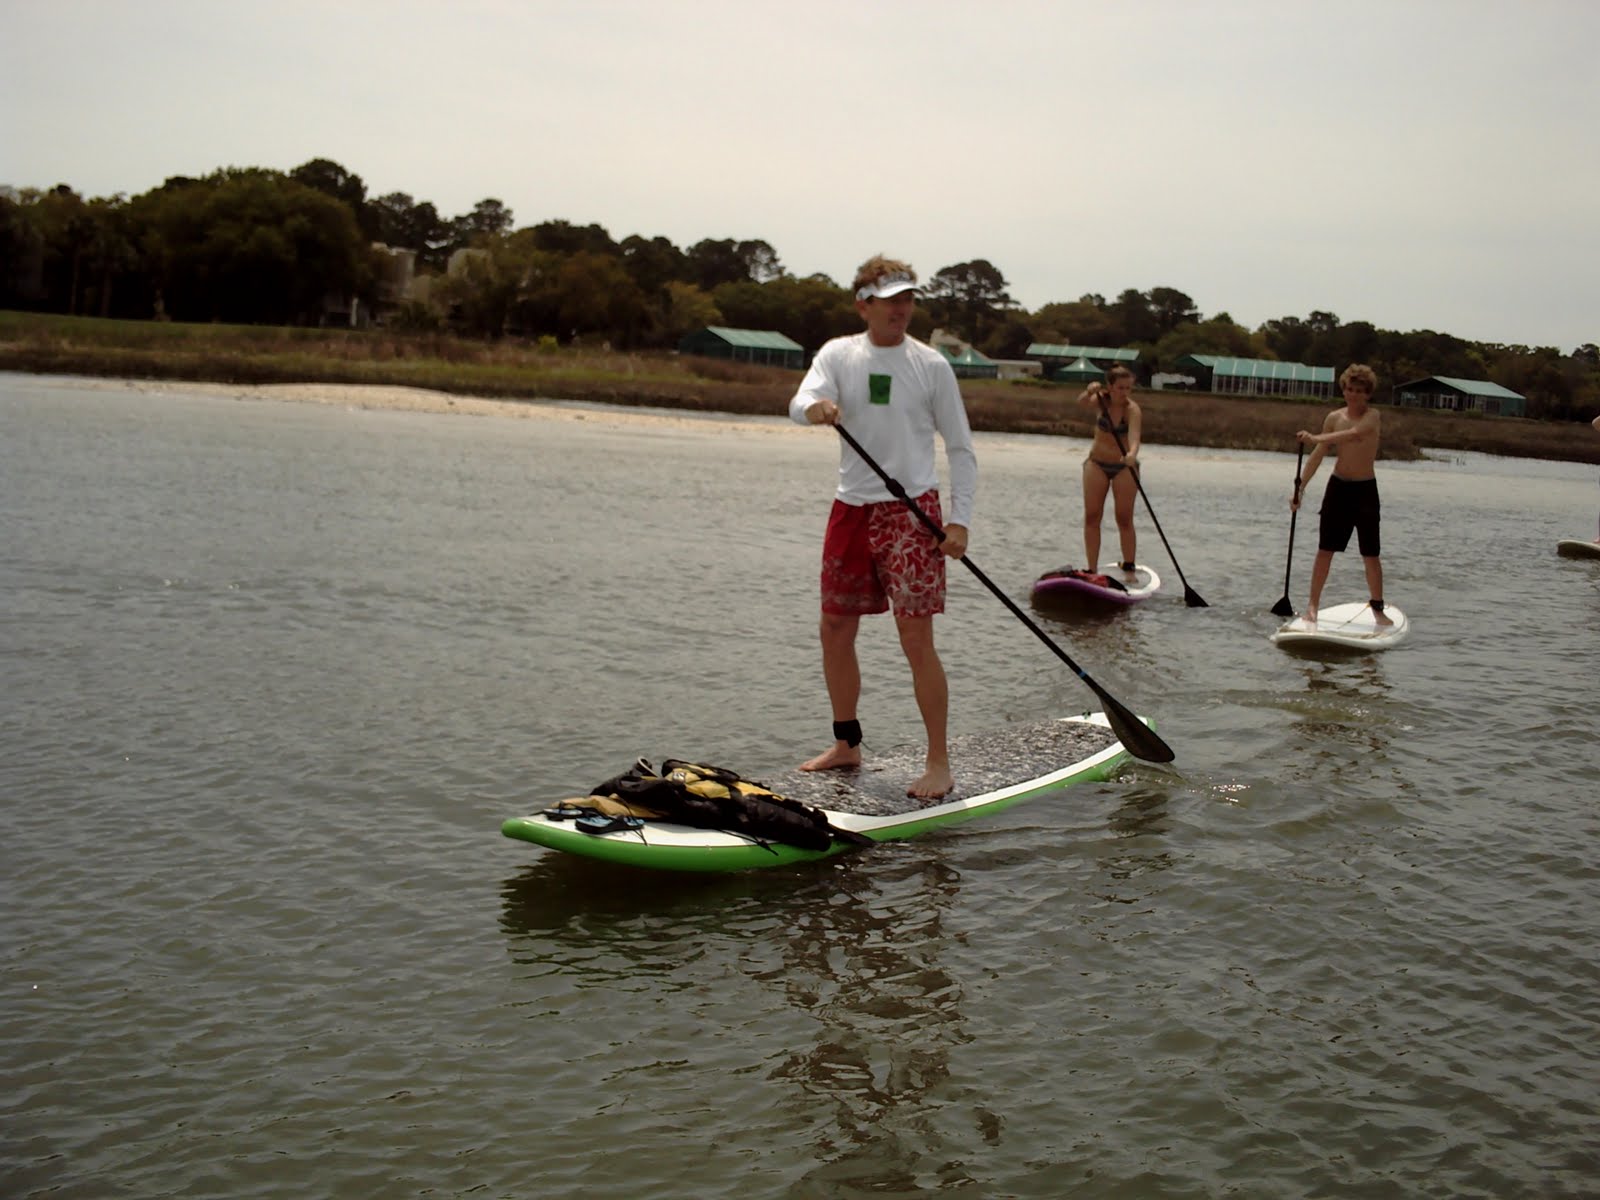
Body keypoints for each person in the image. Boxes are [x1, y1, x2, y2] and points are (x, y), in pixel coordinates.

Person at [789, 255, 977, 799]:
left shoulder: (931, 365)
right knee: (834, 628)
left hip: (912, 513)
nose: (901, 309)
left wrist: (959, 522)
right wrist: (817, 409)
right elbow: (798, 402)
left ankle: (938, 763)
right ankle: (847, 743)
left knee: (915, 638)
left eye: (907, 298)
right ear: (863, 303)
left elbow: (962, 449)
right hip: (851, 508)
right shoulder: (838, 355)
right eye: (890, 299)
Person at [1292, 363, 1389, 625]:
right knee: (1325, 550)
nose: (1354, 395)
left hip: (1365, 490)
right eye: (1350, 389)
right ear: (1343, 390)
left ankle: (1377, 607)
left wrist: (1316, 437)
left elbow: (1355, 434)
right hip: (1339, 489)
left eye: (1360, 391)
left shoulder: (1373, 416)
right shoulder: (1334, 417)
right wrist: (1301, 487)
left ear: (1368, 393)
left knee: (1370, 553)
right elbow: (1318, 455)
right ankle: (1312, 606)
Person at [1077, 365, 1143, 577]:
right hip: (1096, 463)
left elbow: (1134, 436)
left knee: (1124, 517)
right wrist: (1088, 391)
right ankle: (1091, 569)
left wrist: (1132, 454)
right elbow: (1081, 403)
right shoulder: (1100, 400)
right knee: (1092, 516)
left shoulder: (1132, 409)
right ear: (1110, 387)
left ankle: (1129, 566)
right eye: (1120, 388)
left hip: (1124, 467)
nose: (1124, 393)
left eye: (1128, 388)